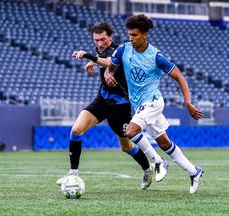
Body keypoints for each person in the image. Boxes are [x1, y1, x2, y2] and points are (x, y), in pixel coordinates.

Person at [56, 22, 168, 190]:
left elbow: (109, 61)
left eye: (103, 39)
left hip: (120, 105)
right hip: (102, 100)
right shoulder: (101, 50)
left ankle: (147, 168)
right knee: (76, 130)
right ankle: (73, 173)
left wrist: (89, 57)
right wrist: (95, 63)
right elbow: (104, 62)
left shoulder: (120, 51)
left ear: (110, 37)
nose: (100, 43)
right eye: (96, 40)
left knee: (126, 146)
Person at [104, 14, 204, 194]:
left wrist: (188, 103)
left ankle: (158, 162)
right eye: (129, 35)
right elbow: (110, 67)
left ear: (145, 35)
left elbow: (180, 77)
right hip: (139, 104)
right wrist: (108, 74)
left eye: (134, 35)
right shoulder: (123, 50)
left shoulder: (156, 56)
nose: (131, 39)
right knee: (165, 143)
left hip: (153, 102)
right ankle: (194, 171)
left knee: (131, 132)